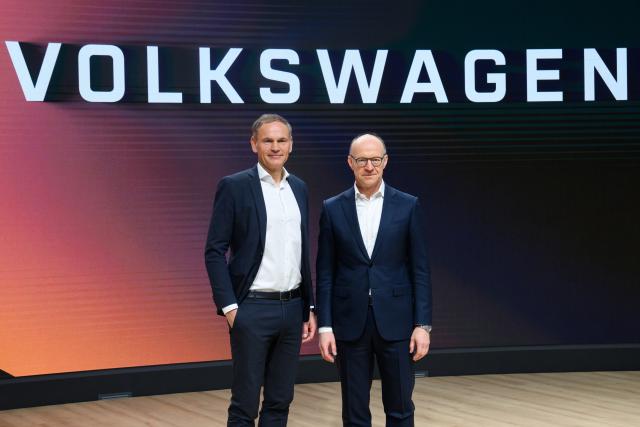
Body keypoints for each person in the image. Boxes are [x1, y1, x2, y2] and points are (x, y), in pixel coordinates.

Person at [205, 114, 316, 426]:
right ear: (254, 144)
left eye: (282, 140)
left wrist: (308, 306)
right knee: (245, 404)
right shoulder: (235, 186)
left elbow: (300, 250)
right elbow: (214, 250)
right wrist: (230, 309)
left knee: (280, 401)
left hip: (293, 310)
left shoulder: (300, 188)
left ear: (291, 145)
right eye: (268, 140)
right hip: (251, 309)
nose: (275, 147)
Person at [316, 133, 432, 427]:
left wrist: (423, 325)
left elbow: (420, 270)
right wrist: (325, 326)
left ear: (386, 162)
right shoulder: (332, 208)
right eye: (362, 160)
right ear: (350, 163)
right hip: (349, 324)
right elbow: (326, 272)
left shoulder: (408, 205)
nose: (369, 166)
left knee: (401, 407)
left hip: (397, 323)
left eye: (375, 159)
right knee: (354, 412)